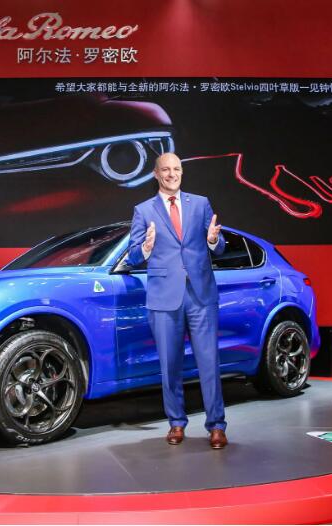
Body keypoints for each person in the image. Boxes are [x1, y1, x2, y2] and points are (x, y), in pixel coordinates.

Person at [127, 152, 228, 449]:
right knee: (170, 365)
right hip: (164, 296)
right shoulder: (143, 210)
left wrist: (213, 240)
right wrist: (145, 248)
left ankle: (217, 426)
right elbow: (133, 255)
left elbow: (219, 246)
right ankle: (176, 422)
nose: (172, 174)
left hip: (200, 294)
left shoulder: (200, 204)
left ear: (181, 172)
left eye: (177, 169)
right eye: (166, 170)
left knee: (209, 363)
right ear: (156, 174)